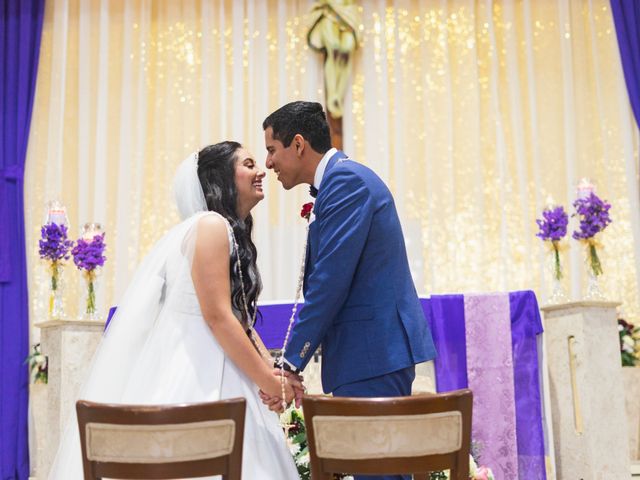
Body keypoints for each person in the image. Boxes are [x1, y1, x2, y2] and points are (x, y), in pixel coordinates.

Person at [48, 141, 299, 479]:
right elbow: (218, 318)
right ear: (221, 177)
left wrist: (274, 375)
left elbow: (240, 319)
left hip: (222, 363)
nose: (260, 172)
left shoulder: (220, 228)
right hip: (202, 371)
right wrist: (268, 380)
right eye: (249, 164)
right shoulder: (210, 225)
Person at [262, 101, 437, 480]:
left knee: (379, 472)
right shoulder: (337, 184)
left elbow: (330, 280)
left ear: (298, 144)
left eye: (272, 150)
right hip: (366, 354)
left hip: (372, 353)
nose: (268, 163)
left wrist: (291, 362)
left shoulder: (346, 183)